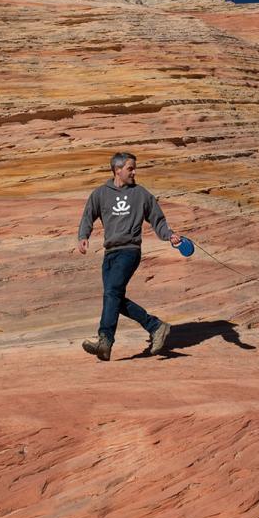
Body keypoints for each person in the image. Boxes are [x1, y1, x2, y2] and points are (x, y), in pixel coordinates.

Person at [73, 152, 184, 361]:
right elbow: (88, 215)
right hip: (110, 253)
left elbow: (157, 220)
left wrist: (169, 235)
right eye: (130, 168)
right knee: (114, 297)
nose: (134, 172)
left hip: (129, 251)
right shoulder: (100, 194)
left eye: (134, 168)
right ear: (118, 170)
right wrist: (83, 236)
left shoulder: (141, 194)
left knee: (112, 293)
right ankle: (156, 326)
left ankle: (105, 340)